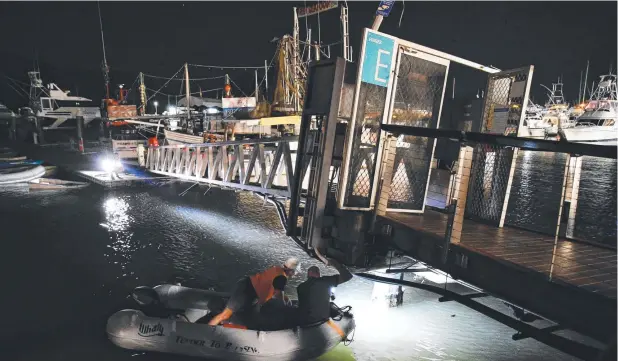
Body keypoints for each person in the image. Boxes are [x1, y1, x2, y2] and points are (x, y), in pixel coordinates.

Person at [208, 257, 299, 326]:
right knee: (224, 315)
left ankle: (223, 326)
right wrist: (288, 310)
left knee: (242, 316)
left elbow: (271, 289)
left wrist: (286, 299)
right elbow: (279, 298)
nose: (296, 274)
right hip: (246, 290)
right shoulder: (282, 278)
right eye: (295, 272)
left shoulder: (277, 269)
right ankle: (206, 333)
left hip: (249, 288)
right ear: (291, 270)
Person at [296, 256, 353, 326]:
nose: (319, 274)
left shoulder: (300, 287)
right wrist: (335, 264)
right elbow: (347, 276)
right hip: (320, 322)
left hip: (303, 322)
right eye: (318, 272)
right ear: (317, 273)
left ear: (308, 274)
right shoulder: (325, 281)